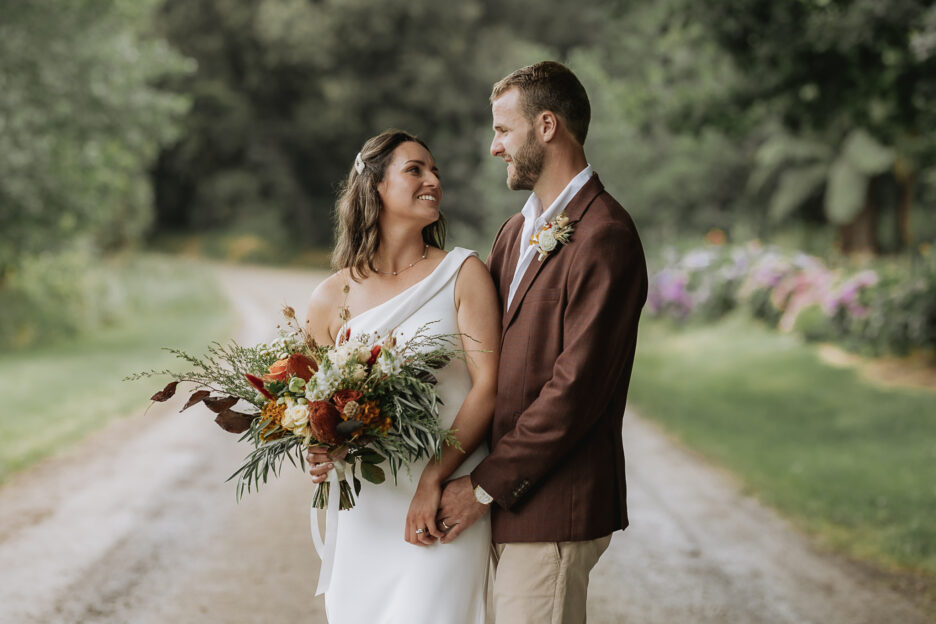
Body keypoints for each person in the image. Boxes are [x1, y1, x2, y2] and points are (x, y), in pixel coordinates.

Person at [436, 61, 648, 623]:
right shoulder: (515, 231)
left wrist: (481, 486)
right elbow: (483, 359)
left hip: (554, 505)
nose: (494, 147)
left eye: (503, 130)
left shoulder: (606, 236)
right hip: (513, 505)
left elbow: (573, 392)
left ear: (547, 126)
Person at [304, 130, 501, 623]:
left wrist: (434, 479)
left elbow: (490, 387)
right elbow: (311, 404)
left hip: (442, 498)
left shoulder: (463, 272)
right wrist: (318, 446)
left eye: (434, 171)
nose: (433, 179)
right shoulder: (331, 296)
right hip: (363, 507)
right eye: (415, 169)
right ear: (374, 185)